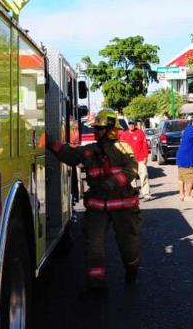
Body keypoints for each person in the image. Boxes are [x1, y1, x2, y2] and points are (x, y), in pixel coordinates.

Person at [48, 108, 141, 295]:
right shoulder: (90, 150)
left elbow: (131, 170)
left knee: (129, 245)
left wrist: (113, 182)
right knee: (94, 245)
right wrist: (49, 142)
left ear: (110, 129)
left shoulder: (123, 149)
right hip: (98, 207)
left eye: (99, 128)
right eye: (95, 128)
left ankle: (132, 269)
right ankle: (97, 284)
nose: (95, 131)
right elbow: (70, 156)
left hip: (123, 206)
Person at [120, 119, 151, 200]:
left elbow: (145, 145)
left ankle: (146, 195)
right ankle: (133, 195)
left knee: (144, 176)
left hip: (140, 159)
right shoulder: (124, 135)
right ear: (128, 125)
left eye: (133, 124)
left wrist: (146, 157)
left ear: (135, 124)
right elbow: (121, 148)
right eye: (130, 124)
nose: (131, 125)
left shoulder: (140, 133)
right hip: (129, 160)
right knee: (131, 179)